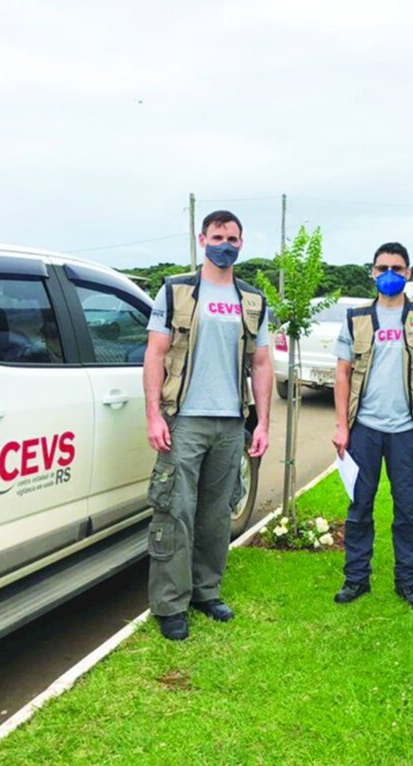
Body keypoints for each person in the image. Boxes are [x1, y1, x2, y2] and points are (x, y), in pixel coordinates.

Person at [143, 210, 272, 641]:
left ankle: (206, 591)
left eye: (233, 238)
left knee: (217, 515)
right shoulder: (176, 291)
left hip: (231, 421)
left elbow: (261, 361)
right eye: (218, 236)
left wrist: (263, 424)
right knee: (174, 511)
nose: (225, 244)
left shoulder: (251, 299)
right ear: (203, 239)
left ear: (241, 244)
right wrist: (153, 414)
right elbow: (155, 355)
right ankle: (170, 604)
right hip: (184, 420)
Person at [331, 242, 413, 609]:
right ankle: (356, 579)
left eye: (397, 268)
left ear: (409, 273)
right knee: (359, 506)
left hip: (405, 430)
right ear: (372, 272)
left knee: (408, 508)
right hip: (364, 428)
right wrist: (341, 426)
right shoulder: (357, 318)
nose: (390, 275)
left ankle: (408, 583)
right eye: (383, 268)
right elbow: (342, 373)